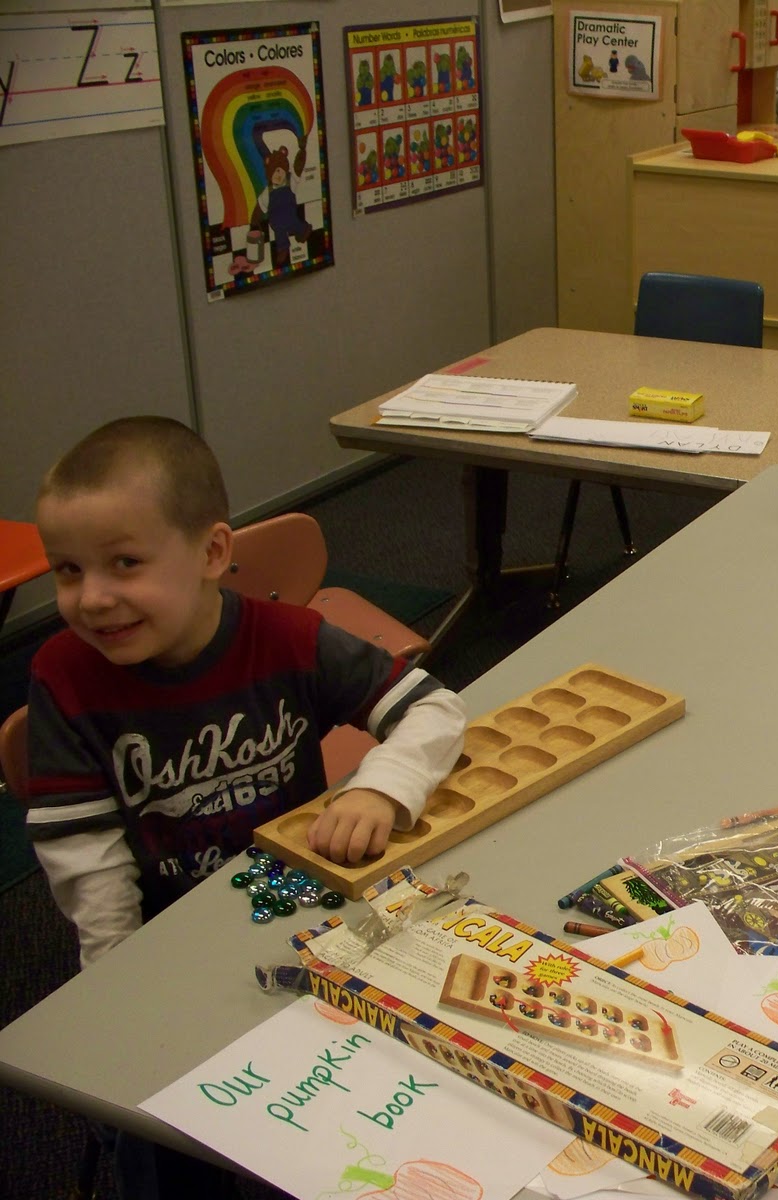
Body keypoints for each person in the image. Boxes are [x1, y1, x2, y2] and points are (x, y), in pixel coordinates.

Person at [24, 416, 467, 1194]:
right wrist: (120, 988)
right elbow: (86, 864)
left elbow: (433, 711)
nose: (92, 599)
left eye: (124, 564)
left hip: (301, 915)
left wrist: (375, 785)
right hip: (163, 940)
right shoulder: (66, 677)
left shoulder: (287, 637)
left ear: (212, 553)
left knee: (365, 1103)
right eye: (65, 571)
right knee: (172, 1135)